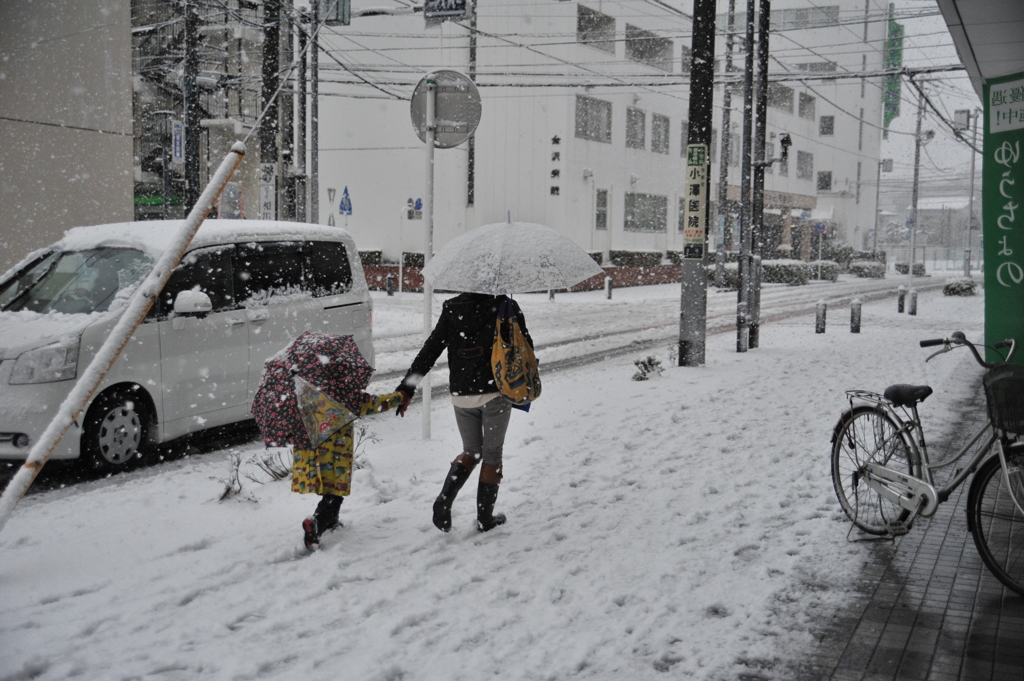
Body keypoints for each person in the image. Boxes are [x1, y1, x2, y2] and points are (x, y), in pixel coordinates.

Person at [396, 292, 533, 533]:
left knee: (471, 450)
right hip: (495, 393)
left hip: (461, 395)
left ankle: (444, 500)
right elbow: (524, 347)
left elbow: (431, 349)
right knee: (492, 455)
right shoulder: (504, 306)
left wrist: (408, 386)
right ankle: (485, 518)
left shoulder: (452, 308)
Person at [293, 389, 404, 551]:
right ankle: (317, 523)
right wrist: (399, 397)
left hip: (312, 451)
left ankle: (332, 521)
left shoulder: (308, 392)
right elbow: (376, 404)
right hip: (337, 452)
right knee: (336, 490)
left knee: (331, 488)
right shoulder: (346, 392)